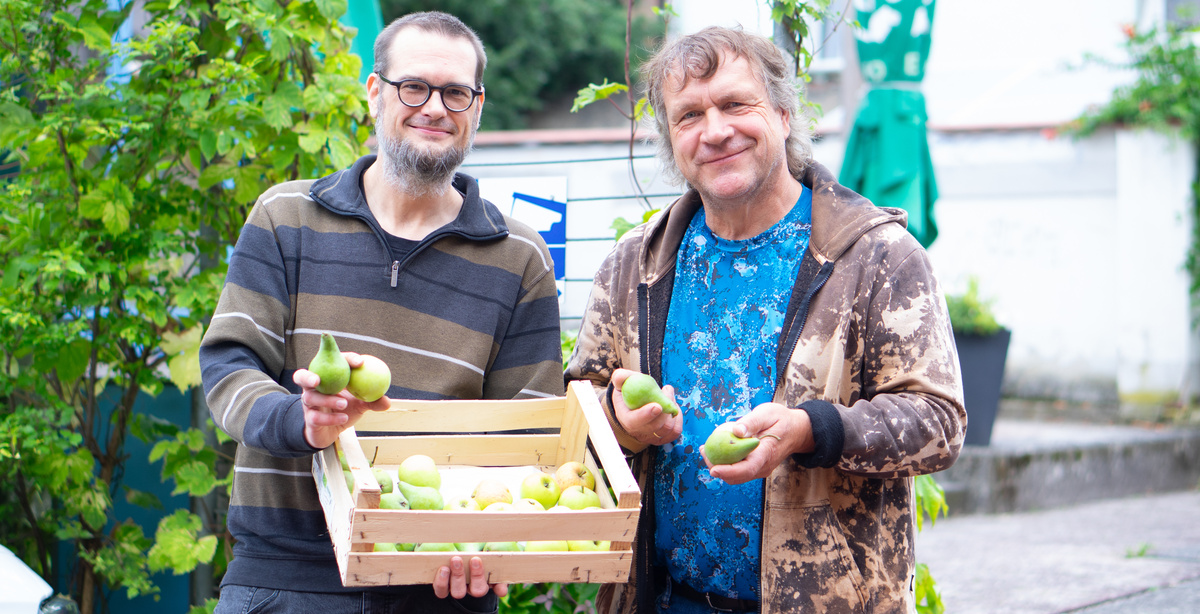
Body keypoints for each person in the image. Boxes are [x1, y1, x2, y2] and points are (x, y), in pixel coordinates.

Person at [565, 26, 965, 613]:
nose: (716, 130)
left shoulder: (876, 256)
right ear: (670, 140)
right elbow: (579, 404)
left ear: (782, 113)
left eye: (735, 104)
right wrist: (619, 422)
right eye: (689, 115)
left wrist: (811, 429)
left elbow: (939, 423)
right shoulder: (636, 264)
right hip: (663, 600)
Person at [199, 11, 564, 614]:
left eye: (456, 92)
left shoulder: (518, 257)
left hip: (440, 583)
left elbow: (525, 431)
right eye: (413, 87)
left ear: (478, 106)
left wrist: (489, 542)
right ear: (375, 92)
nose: (435, 107)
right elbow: (228, 367)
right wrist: (303, 422)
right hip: (287, 582)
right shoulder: (286, 218)